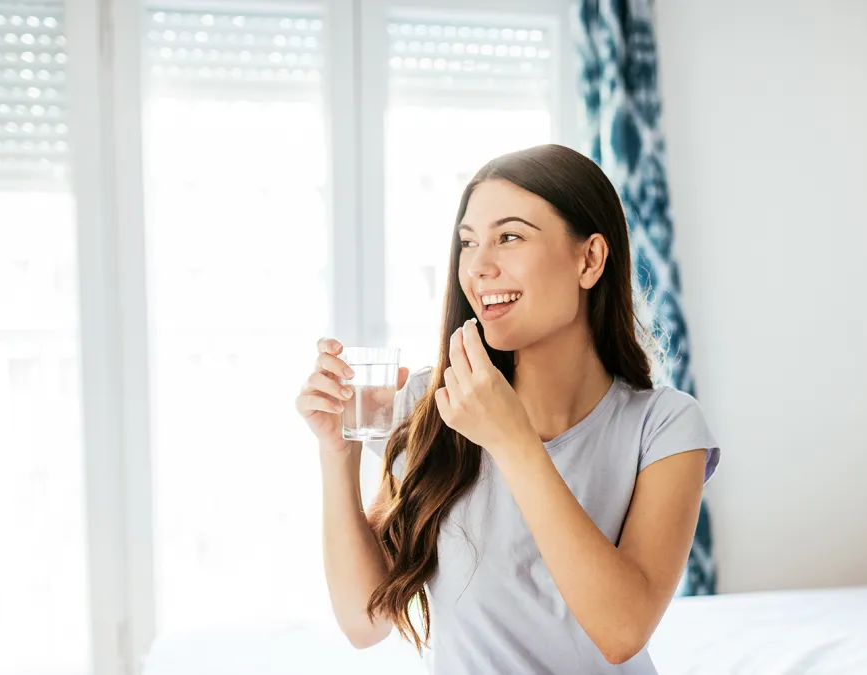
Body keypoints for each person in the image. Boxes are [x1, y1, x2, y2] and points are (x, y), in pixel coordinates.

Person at [295, 144, 720, 673]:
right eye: (468, 243)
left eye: (510, 237)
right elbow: (364, 622)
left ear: (588, 259)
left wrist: (511, 440)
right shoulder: (437, 407)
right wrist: (337, 454)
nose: (477, 267)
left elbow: (622, 631)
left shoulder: (665, 426)